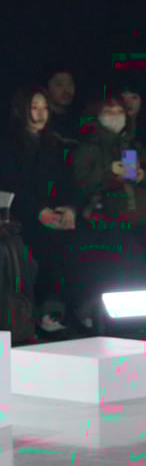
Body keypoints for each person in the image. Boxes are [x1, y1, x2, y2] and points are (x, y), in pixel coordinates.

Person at [72, 92, 146, 324]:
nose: (115, 116)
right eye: (108, 111)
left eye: (119, 111)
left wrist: (141, 175)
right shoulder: (88, 148)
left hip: (141, 217)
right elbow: (81, 184)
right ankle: (104, 316)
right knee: (126, 252)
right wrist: (109, 172)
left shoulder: (133, 145)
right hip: (105, 218)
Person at [0, 85, 79, 333]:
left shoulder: (52, 143)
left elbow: (66, 182)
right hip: (20, 215)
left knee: (77, 240)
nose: (41, 113)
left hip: (51, 212)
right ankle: (42, 312)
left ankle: (76, 309)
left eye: (44, 107)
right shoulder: (9, 145)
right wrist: (38, 211)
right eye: (34, 107)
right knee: (43, 245)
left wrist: (70, 209)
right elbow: (11, 185)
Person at [44, 63, 80, 148]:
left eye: (70, 84)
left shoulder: (78, 120)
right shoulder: (40, 121)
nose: (66, 90)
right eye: (59, 85)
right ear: (47, 87)